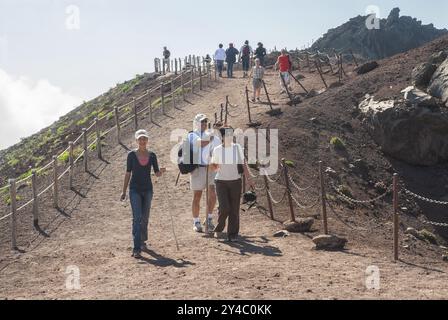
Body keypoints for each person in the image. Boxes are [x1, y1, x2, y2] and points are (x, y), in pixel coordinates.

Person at [121, 129, 166, 259]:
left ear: (147, 140)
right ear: (136, 140)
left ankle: (142, 241)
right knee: (137, 218)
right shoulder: (131, 155)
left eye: (144, 138)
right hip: (134, 189)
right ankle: (136, 248)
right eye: (140, 138)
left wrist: (161, 171)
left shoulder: (152, 155)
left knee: (145, 217)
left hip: (148, 189)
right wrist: (124, 191)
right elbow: (128, 173)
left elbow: (156, 173)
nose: (142, 141)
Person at [211, 127, 254, 242]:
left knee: (234, 209)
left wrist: (249, 179)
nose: (230, 137)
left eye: (231, 135)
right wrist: (212, 164)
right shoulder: (217, 150)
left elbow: (243, 164)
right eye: (227, 135)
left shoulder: (237, 148)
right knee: (224, 207)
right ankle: (219, 229)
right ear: (223, 137)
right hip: (221, 182)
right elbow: (214, 167)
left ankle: (233, 234)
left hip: (235, 181)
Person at [188, 114, 222, 233]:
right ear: (196, 123)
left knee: (212, 194)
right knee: (197, 195)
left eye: (204, 122)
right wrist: (212, 135)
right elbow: (201, 143)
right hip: (197, 169)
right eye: (201, 122)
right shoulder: (192, 135)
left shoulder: (213, 136)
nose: (203, 124)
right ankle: (196, 221)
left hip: (211, 168)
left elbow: (218, 151)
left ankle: (209, 218)